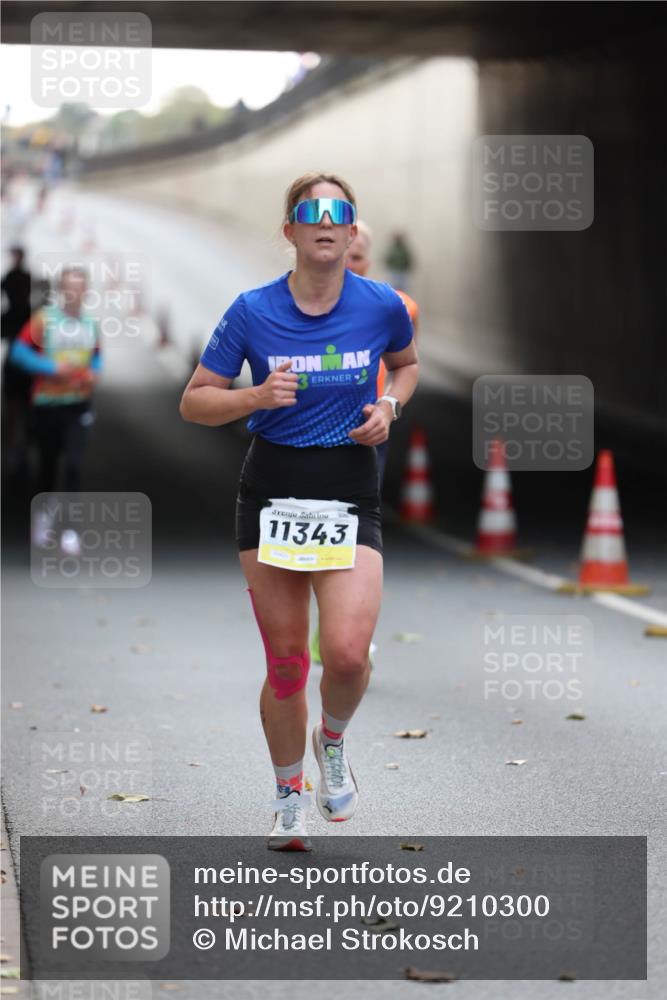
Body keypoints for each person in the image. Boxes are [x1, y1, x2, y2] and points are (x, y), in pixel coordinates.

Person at [180, 172, 418, 851]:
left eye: (337, 211)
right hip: (271, 496)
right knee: (287, 664)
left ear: (350, 231)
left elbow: (406, 366)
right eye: (308, 211)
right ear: (289, 230)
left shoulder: (381, 306)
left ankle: (332, 740)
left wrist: (389, 406)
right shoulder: (251, 311)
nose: (324, 221)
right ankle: (288, 799)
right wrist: (252, 399)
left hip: (349, 490)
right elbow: (195, 401)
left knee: (344, 655)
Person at [9, 267, 102, 554]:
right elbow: (18, 353)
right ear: (62, 291)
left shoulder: (90, 324)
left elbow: (96, 359)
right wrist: (51, 368)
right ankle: (44, 517)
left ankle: (71, 529)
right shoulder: (44, 320)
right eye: (70, 288)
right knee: (48, 465)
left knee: (73, 465)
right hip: (47, 405)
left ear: (86, 292)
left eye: (80, 288)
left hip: (78, 406)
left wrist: (92, 375)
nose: (75, 294)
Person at [1, 247, 33, 479]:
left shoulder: (12, 316)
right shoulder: (31, 315)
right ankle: (20, 451)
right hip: (27, 368)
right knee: (23, 411)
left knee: (15, 411)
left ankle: (16, 451)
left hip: (16, 366)